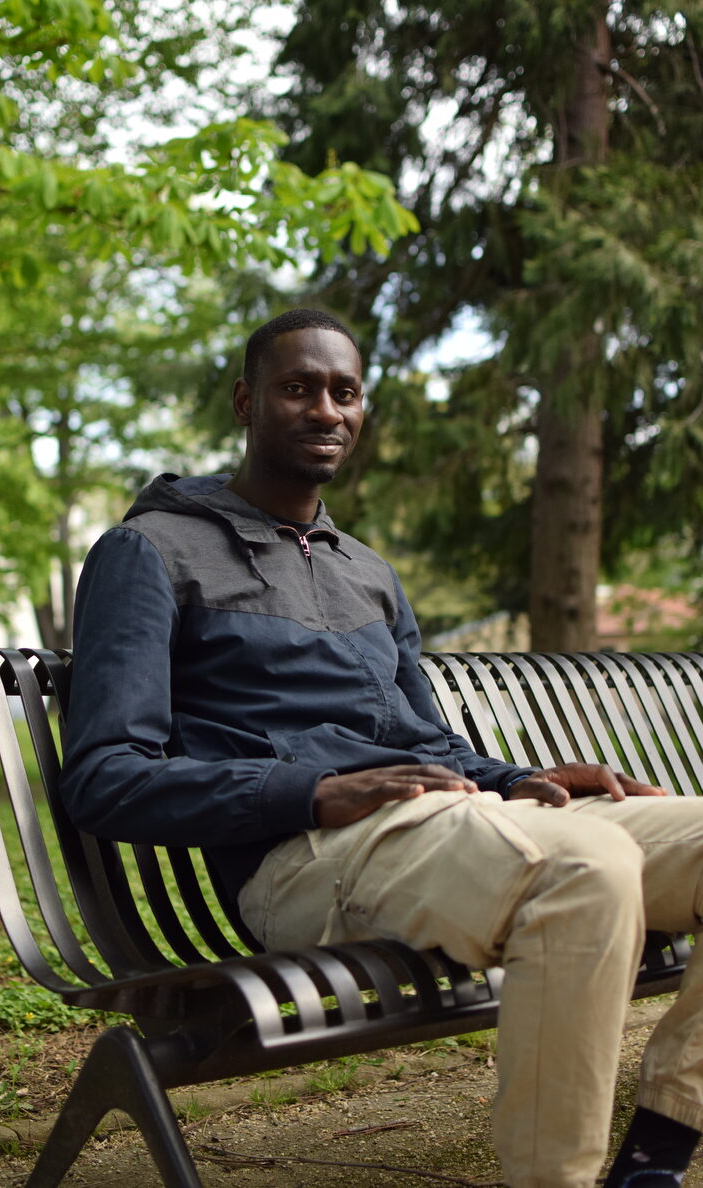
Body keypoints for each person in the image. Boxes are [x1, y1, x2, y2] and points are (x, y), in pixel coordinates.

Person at [60, 308, 703, 1188]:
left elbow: (424, 741)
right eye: (298, 388)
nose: (326, 409)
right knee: (585, 870)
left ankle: (658, 1151)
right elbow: (105, 779)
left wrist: (518, 778)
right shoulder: (150, 551)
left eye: (345, 391)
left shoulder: (365, 571)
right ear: (246, 403)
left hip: (443, 824)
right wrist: (315, 793)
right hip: (299, 856)